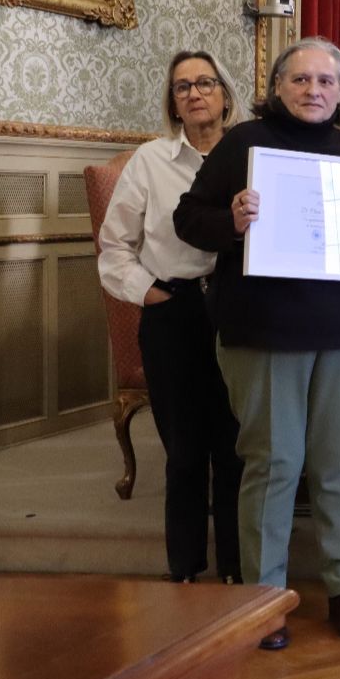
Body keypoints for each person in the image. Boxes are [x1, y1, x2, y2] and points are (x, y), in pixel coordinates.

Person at [174, 39, 340, 651]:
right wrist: (231, 219)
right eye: (301, 79)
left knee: (339, 467)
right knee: (274, 465)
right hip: (265, 334)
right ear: (278, 85)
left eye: (327, 82)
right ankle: (264, 595)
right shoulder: (243, 144)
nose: (314, 90)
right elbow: (188, 217)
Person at [97, 50, 246, 585]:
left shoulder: (250, 153)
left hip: (238, 308)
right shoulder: (149, 161)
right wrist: (148, 292)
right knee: (183, 452)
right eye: (182, 87)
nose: (195, 93)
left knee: (234, 448)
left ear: (226, 94)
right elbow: (113, 248)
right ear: (173, 104)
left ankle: (235, 568)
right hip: (174, 310)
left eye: (205, 82)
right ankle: (184, 569)